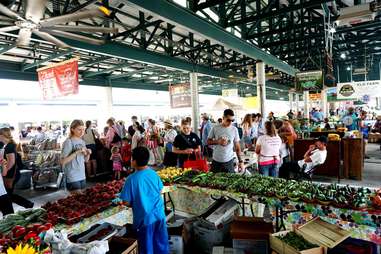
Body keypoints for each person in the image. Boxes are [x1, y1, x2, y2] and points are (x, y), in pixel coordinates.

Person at [120, 147, 169, 254]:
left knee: (147, 248)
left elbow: (126, 202)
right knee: (161, 244)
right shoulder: (154, 173)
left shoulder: (131, 179)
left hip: (144, 219)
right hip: (159, 215)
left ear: (134, 161)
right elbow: (160, 190)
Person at [0, 128, 33, 209]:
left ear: (1, 136)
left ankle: (27, 204)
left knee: (7, 195)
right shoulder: (8, 145)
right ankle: (27, 204)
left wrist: (4, 173)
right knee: (7, 195)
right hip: (11, 173)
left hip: (10, 174)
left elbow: (11, 162)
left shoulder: (9, 146)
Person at [61, 120, 91, 191]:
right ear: (72, 129)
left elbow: (86, 160)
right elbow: (63, 161)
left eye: (83, 129)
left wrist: (88, 153)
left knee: (82, 199)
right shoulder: (68, 142)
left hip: (82, 175)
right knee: (76, 200)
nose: (82, 132)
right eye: (79, 129)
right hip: (72, 176)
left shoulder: (82, 142)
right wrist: (76, 152)